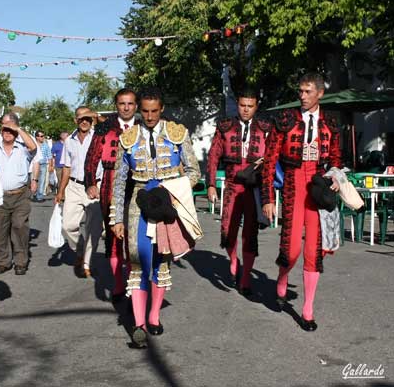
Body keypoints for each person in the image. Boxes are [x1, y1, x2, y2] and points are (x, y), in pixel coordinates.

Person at [110, 88, 201, 348]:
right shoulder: (127, 138)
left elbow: (194, 171)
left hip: (167, 201)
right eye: (145, 111)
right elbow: (119, 183)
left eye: (154, 111)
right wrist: (117, 218)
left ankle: (154, 315)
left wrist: (174, 190)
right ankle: (138, 325)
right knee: (138, 260)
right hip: (139, 202)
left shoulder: (177, 133)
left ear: (161, 109)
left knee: (162, 261)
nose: (149, 116)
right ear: (140, 109)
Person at [262, 73, 341, 332]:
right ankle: (283, 277)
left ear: (320, 93)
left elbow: (337, 160)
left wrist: (336, 178)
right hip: (294, 186)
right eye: (300, 91)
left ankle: (307, 310)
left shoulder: (330, 122)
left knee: (314, 252)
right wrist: (268, 198)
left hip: (317, 188)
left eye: (307, 92)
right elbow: (269, 161)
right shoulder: (285, 120)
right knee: (292, 248)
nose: (302, 96)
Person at [206, 87, 271, 295]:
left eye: (250, 106)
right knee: (228, 230)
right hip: (233, 185)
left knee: (250, 234)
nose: (245, 110)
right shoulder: (225, 126)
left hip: (253, 188)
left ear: (256, 106)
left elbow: (273, 159)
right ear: (238, 105)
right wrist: (211, 184)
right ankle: (234, 260)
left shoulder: (266, 128)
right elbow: (214, 155)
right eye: (242, 105)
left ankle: (245, 279)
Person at [84, 88, 138, 302]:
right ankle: (118, 283)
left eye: (130, 104)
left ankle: (134, 279)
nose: (126, 108)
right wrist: (90, 182)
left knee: (135, 234)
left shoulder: (145, 126)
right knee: (115, 233)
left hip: (139, 184)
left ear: (135, 105)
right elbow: (92, 156)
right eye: (122, 104)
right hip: (111, 181)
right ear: (116, 105)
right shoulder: (105, 127)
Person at [54, 107, 102, 278]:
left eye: (88, 118)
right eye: (81, 118)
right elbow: (66, 168)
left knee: (93, 229)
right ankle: (79, 249)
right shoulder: (69, 141)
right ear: (75, 120)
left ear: (92, 120)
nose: (84, 121)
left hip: (95, 186)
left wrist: (97, 116)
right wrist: (60, 191)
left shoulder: (99, 137)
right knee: (68, 225)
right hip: (74, 186)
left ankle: (86, 264)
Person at [0, 113, 37, 275]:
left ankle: (21, 261)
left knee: (19, 226)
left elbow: (34, 148)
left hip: (20, 195)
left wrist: (17, 128)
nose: (7, 132)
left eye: (11, 129)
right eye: (5, 129)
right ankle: (2, 261)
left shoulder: (22, 148)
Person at [33, 131, 52, 202]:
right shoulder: (33, 144)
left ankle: (39, 196)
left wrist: (50, 166)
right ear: (37, 137)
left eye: (43, 136)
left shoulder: (46, 145)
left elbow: (50, 156)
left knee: (42, 181)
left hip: (43, 165)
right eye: (41, 136)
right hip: (34, 165)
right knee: (33, 180)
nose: (42, 138)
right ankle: (33, 194)